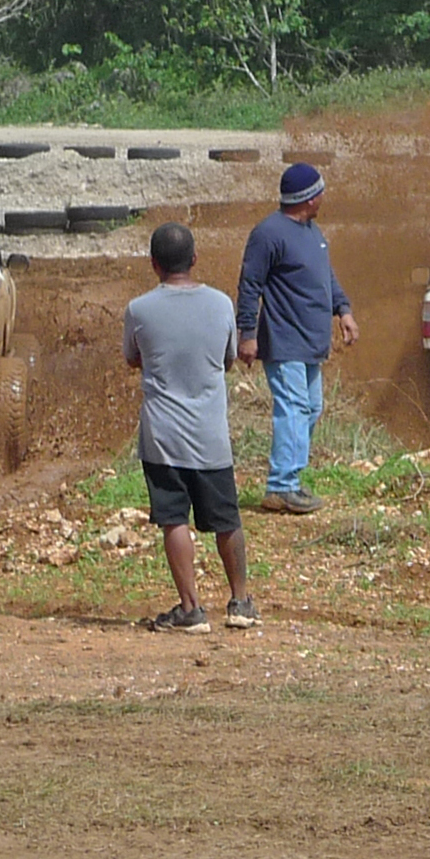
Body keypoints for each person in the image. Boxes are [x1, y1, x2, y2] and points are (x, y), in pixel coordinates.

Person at [124, 222, 257, 633]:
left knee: (173, 519)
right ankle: (240, 603)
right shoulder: (220, 305)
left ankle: (191, 608)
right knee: (226, 520)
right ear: (195, 259)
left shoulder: (139, 310)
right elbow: (229, 359)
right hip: (210, 435)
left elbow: (132, 359)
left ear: (154, 264)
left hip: (163, 437)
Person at [236, 163, 358, 515]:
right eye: (320, 191)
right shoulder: (268, 234)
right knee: (293, 408)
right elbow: (250, 285)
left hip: (310, 341)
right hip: (283, 337)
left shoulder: (311, 231)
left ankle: (290, 479)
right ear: (309, 198)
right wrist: (248, 334)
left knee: (311, 408)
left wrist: (344, 309)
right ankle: (281, 485)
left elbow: (325, 275)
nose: (324, 197)